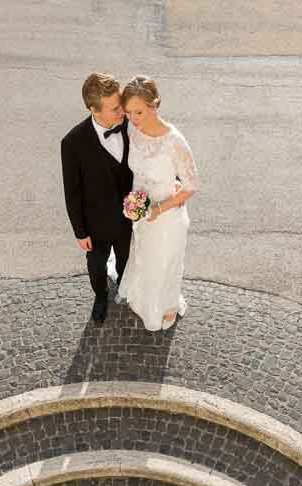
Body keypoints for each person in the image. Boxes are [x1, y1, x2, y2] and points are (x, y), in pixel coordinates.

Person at [116, 76, 199, 331]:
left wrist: (158, 208)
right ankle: (143, 299)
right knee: (143, 257)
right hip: (141, 212)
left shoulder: (174, 141)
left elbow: (191, 186)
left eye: (139, 111)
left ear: (154, 105)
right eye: (129, 112)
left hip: (166, 216)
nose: (133, 118)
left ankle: (166, 306)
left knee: (163, 264)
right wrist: (136, 204)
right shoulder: (132, 130)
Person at [60, 72, 134, 323]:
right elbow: (72, 192)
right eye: (115, 108)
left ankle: (126, 290)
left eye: (121, 104)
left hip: (128, 219)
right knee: (97, 266)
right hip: (96, 223)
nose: (122, 111)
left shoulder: (131, 125)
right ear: (94, 109)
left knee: (127, 259)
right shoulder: (73, 143)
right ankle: (100, 296)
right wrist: (80, 232)